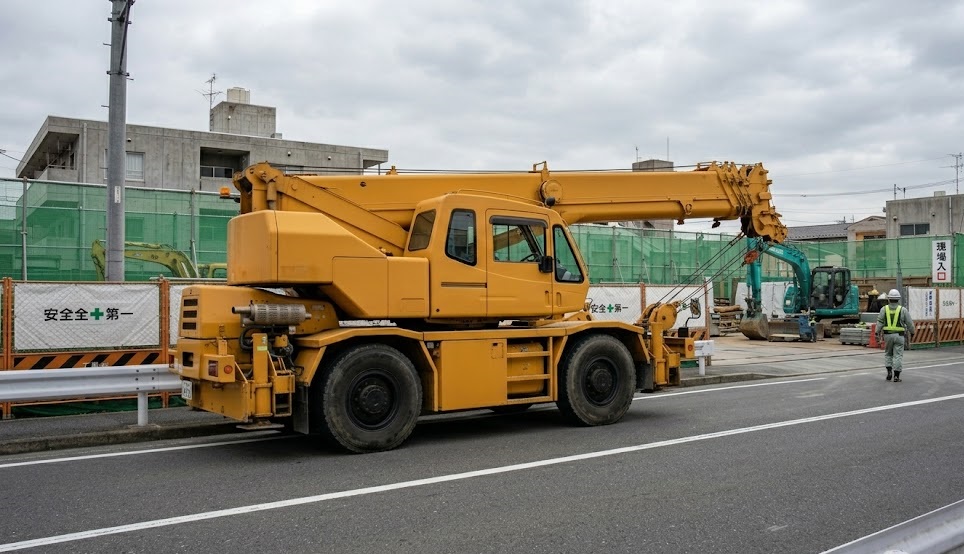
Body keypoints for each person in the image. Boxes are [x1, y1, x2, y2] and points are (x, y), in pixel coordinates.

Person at [875, 289, 915, 382]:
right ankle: (896, 376)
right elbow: (909, 323)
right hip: (899, 336)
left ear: (889, 299)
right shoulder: (903, 310)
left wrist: (877, 332)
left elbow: (880, 322)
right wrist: (912, 332)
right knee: (898, 355)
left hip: (888, 335)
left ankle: (889, 373)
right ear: (898, 299)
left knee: (888, 353)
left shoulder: (884, 309)